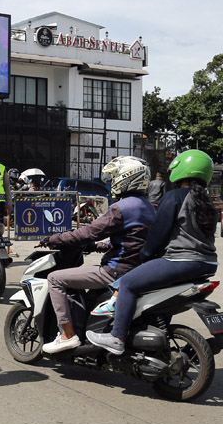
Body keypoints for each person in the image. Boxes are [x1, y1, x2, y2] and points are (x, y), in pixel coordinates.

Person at [87, 150, 219, 355]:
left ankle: (117, 337)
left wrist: (145, 255)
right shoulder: (208, 202)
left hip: (180, 260)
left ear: (181, 170)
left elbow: (158, 232)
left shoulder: (175, 197)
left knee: (129, 283)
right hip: (207, 263)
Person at [40, 156, 155, 354]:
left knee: (55, 278)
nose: (111, 182)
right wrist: (101, 246)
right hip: (138, 269)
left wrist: (55, 239)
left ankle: (67, 335)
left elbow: (87, 233)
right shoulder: (149, 207)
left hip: (115, 270)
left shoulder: (121, 207)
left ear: (126, 178)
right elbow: (133, 238)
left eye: (115, 177)